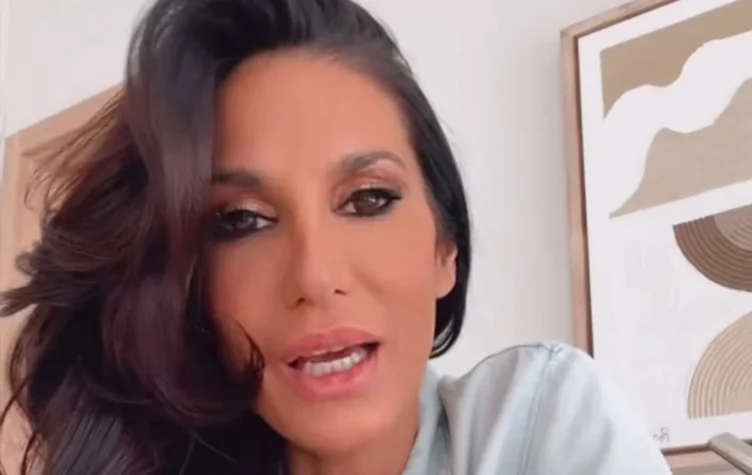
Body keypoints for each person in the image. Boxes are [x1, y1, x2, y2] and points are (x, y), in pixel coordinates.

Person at [0, 0, 673, 474]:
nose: (315, 277)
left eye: (368, 199)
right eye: (241, 220)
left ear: (446, 248)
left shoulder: (538, 426)